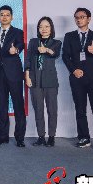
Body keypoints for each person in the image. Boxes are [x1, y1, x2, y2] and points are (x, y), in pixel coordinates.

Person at [62, 7, 93, 150]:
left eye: (82, 17)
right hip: (77, 78)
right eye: (76, 17)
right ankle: (83, 137)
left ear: (89, 19)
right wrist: (73, 70)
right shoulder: (69, 36)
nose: (79, 19)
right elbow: (65, 56)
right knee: (80, 109)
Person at [0, 5, 26, 147]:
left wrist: (16, 49)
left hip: (14, 74)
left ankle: (20, 138)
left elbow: (21, 45)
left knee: (18, 105)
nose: (4, 17)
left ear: (12, 17)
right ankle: (2, 137)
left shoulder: (18, 32)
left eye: (7, 15)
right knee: (2, 105)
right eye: (2, 14)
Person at [24, 17, 62, 147]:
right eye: (41, 27)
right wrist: (27, 76)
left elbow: (55, 54)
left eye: (46, 26)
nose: (43, 29)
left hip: (50, 80)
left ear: (51, 28)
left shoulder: (56, 42)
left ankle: (51, 137)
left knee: (52, 109)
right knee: (38, 109)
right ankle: (41, 136)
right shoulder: (33, 42)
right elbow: (28, 59)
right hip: (34, 79)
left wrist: (47, 50)